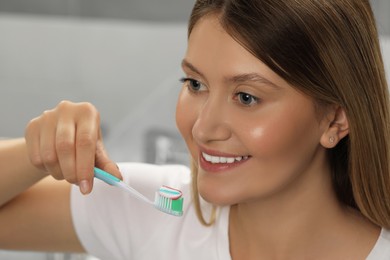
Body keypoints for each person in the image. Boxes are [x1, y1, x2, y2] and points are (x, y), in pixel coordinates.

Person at [1, 0, 390, 259]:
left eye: (247, 97)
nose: (203, 128)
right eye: (196, 85)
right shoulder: (151, 210)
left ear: (336, 120)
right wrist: (38, 153)